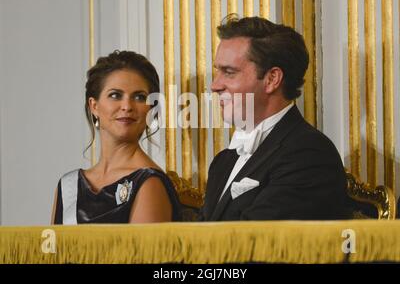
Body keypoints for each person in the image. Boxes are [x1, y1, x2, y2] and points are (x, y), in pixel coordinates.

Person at [202, 15, 350, 221]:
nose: (214, 85)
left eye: (229, 72)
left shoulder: (309, 155)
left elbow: (257, 244)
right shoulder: (223, 162)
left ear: (272, 79)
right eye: (218, 71)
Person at [52, 50, 181, 224]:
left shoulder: (149, 183)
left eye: (139, 97)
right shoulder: (68, 186)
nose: (127, 106)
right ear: (94, 106)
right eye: (115, 95)